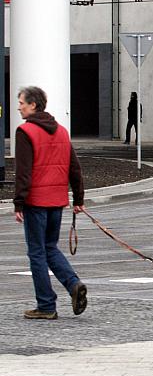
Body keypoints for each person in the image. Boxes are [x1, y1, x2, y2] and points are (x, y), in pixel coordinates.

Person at [14, 86, 88, 320]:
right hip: (57, 201)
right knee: (50, 247)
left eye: (22, 103)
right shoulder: (62, 131)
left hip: (36, 201)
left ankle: (46, 305)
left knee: (37, 252)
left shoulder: (25, 131)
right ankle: (73, 284)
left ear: (33, 105)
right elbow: (74, 167)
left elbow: (23, 172)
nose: (19, 107)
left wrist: (18, 203)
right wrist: (78, 199)